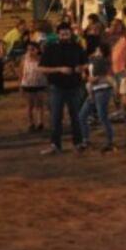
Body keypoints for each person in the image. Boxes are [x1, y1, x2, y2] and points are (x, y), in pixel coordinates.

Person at [37, 23, 88, 155]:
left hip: (74, 87)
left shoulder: (77, 47)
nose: (65, 36)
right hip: (56, 87)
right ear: (58, 34)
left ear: (71, 34)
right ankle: (55, 145)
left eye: (67, 33)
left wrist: (81, 68)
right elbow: (41, 68)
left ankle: (78, 142)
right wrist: (59, 69)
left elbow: (86, 63)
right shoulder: (51, 49)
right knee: (56, 117)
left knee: (76, 116)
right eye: (62, 34)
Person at [79, 45, 115, 153]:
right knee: (82, 115)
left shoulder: (102, 61)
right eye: (96, 50)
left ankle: (109, 142)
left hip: (102, 89)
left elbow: (97, 77)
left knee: (102, 116)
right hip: (95, 90)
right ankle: (86, 140)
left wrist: (89, 78)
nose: (96, 52)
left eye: (98, 50)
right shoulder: (93, 60)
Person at [19, 41, 47, 132]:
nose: (30, 51)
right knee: (30, 105)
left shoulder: (42, 59)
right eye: (28, 50)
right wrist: (21, 85)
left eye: (32, 49)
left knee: (40, 104)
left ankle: (40, 122)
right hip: (28, 84)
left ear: (37, 50)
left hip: (40, 83)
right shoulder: (24, 59)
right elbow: (21, 72)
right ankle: (31, 123)